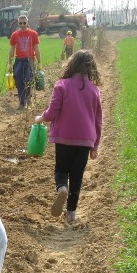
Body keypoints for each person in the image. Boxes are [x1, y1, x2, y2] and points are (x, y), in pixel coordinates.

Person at [35, 50, 102, 224]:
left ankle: (61, 187)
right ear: (91, 68)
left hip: (63, 137)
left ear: (71, 65)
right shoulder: (95, 91)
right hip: (86, 140)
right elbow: (98, 121)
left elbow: (52, 112)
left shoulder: (62, 85)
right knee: (77, 174)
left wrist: (40, 118)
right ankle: (71, 213)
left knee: (61, 170)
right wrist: (95, 146)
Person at [8, 14, 42, 110]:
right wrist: (10, 63)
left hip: (29, 60)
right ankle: (22, 103)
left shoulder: (33, 34)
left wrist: (39, 63)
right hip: (19, 60)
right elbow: (12, 50)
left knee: (28, 80)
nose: (22, 25)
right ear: (18, 24)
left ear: (27, 23)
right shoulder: (15, 35)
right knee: (19, 82)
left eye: (24, 23)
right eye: (20, 23)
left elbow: (37, 49)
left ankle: (28, 98)